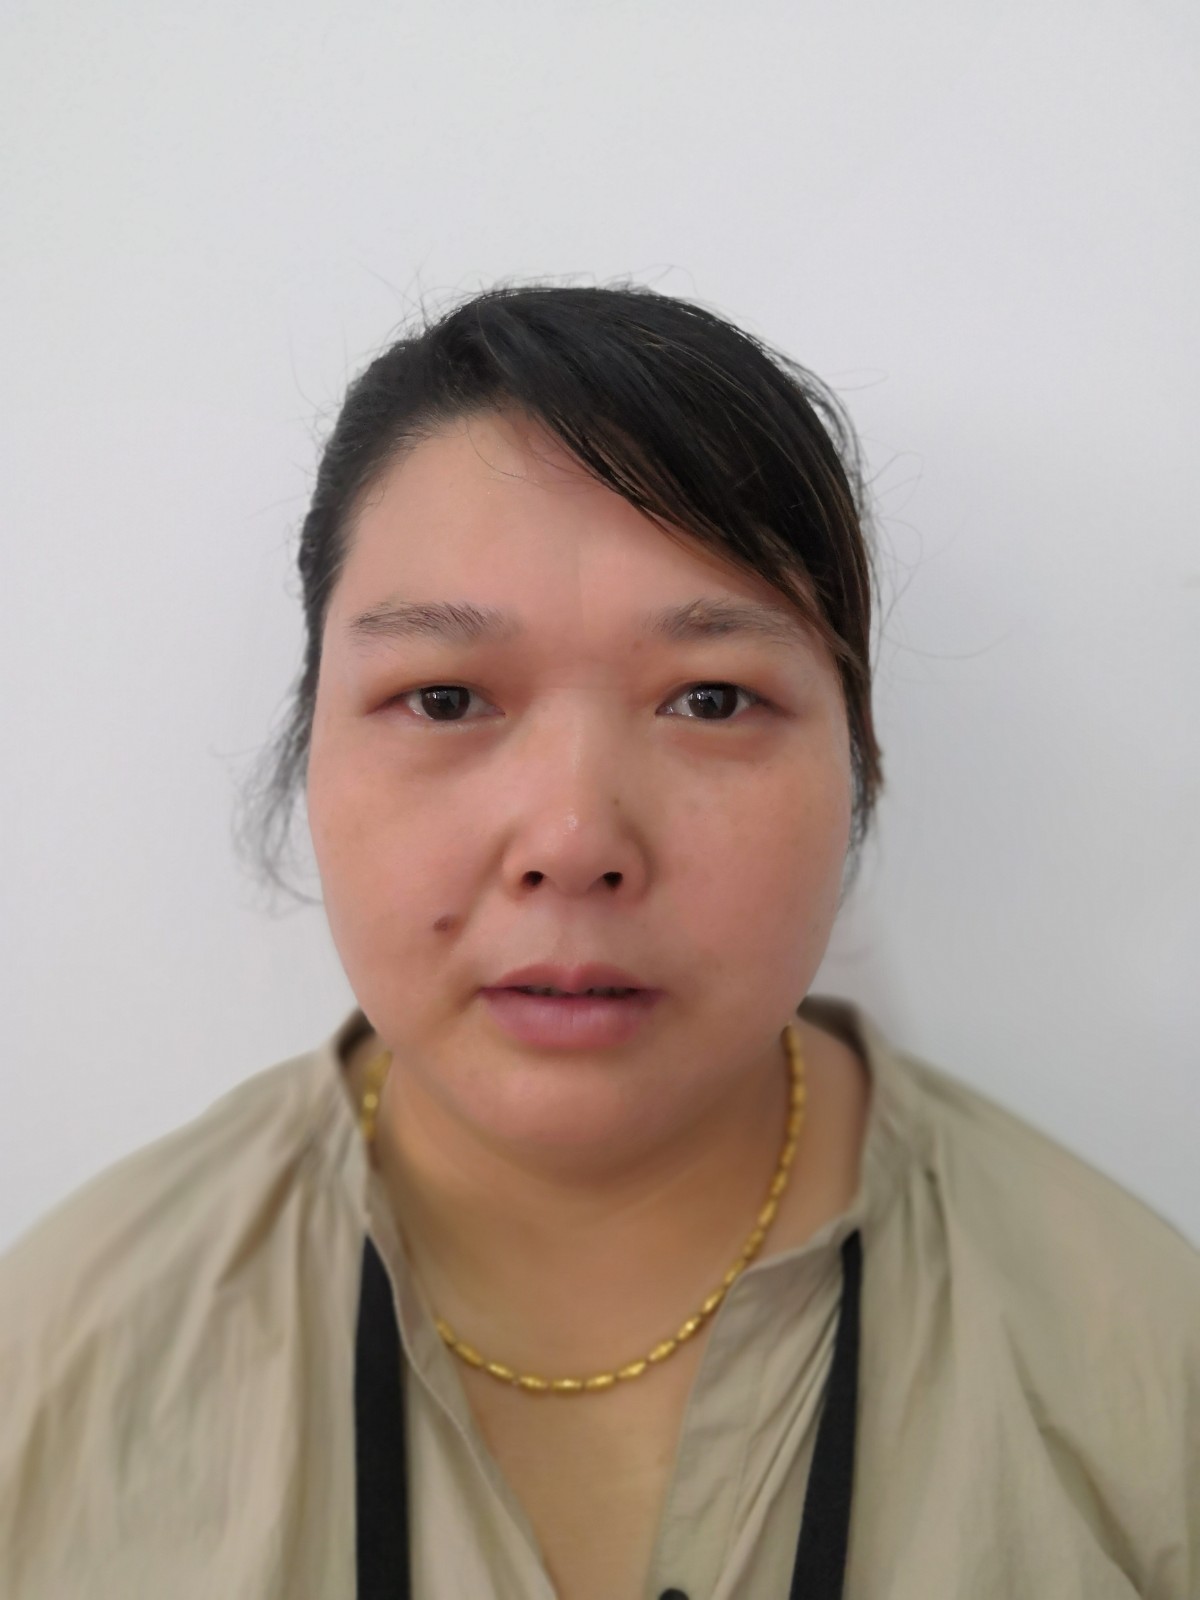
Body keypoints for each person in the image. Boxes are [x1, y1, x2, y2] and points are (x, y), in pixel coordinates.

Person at [1, 283, 1196, 1600]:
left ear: (855, 759)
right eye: (443, 698)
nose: (573, 841)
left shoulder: (1143, 1373)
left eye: (711, 698)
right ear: (310, 747)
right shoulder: (56, 1368)